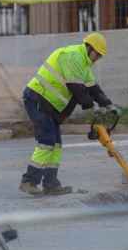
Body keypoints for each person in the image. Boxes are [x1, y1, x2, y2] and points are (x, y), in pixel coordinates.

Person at [19, 32, 119, 196]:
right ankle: (29, 181)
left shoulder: (84, 66)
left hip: (49, 106)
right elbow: (78, 90)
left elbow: (93, 88)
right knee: (47, 141)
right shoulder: (72, 56)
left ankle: (51, 184)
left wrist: (108, 104)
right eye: (97, 54)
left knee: (56, 145)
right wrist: (91, 106)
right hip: (37, 99)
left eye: (100, 56)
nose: (97, 58)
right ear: (89, 48)